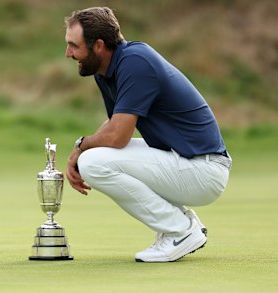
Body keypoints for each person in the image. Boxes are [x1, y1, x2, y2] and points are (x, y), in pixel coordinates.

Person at [64, 7, 232, 262]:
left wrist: (81, 146)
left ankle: (180, 231)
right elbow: (114, 122)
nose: (68, 53)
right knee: (94, 156)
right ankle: (182, 222)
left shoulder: (135, 62)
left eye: (73, 46)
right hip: (186, 162)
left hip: (204, 170)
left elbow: (119, 136)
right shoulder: (106, 70)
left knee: (92, 163)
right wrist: (83, 148)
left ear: (98, 45)